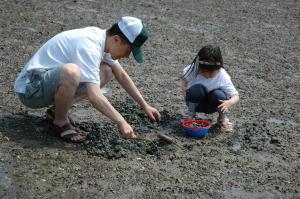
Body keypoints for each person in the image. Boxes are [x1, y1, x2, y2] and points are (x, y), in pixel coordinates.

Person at [14, 16, 161, 142]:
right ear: (117, 39)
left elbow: (121, 75)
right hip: (31, 89)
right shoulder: (89, 46)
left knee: (107, 70)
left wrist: (144, 105)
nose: (128, 56)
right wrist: (121, 122)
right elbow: (94, 96)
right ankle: (60, 121)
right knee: (72, 72)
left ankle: (56, 112)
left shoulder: (104, 39)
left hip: (47, 84)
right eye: (129, 50)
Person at [181, 45, 239, 132]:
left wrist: (229, 102)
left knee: (219, 94)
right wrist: (184, 90)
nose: (207, 75)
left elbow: (236, 96)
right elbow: (184, 78)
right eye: (204, 72)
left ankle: (222, 118)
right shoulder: (194, 69)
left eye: (211, 72)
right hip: (196, 104)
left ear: (218, 68)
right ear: (199, 66)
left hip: (212, 106)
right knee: (197, 89)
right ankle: (190, 113)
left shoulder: (222, 75)